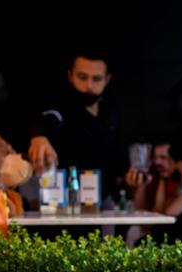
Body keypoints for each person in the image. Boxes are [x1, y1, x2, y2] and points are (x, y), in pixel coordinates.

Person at [26, 48, 127, 209]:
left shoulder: (112, 110)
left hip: (106, 201)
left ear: (107, 79)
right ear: (70, 76)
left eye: (97, 79)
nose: (89, 85)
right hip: (65, 203)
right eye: (82, 77)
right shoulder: (61, 105)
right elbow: (50, 117)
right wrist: (39, 135)